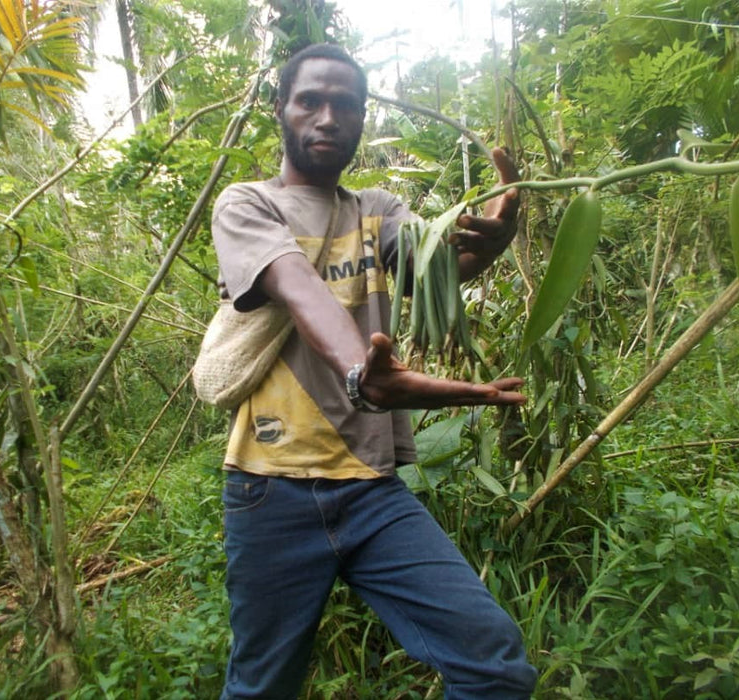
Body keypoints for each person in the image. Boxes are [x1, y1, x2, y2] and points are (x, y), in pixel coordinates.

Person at [209, 43, 538, 699]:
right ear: (281, 110)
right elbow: (296, 287)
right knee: (261, 688)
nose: (328, 117)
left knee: (494, 667)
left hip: (370, 488)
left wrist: (492, 242)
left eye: (346, 104)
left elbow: (435, 267)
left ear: (361, 119)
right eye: (310, 101)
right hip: (270, 490)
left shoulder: (378, 210)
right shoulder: (248, 205)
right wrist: (366, 371)